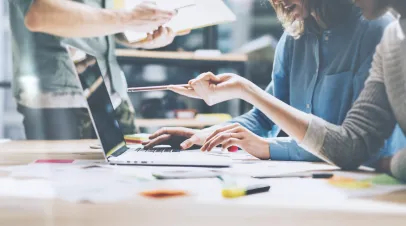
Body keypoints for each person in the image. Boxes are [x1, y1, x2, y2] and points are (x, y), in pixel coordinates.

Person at [164, 0, 406, 181]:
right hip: (310, 178)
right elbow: (265, 115)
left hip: (363, 179)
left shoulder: (379, 31)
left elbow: (361, 145)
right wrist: (208, 136)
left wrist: (268, 147)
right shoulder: (294, 38)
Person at [9, 0, 185, 140]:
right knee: (70, 182)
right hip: (62, 98)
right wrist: (128, 18)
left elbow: (100, 20)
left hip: (113, 91)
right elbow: (39, 13)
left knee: (131, 176)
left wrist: (142, 34)